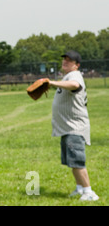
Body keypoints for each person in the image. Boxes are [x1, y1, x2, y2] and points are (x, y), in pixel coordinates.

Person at [48, 50, 99, 201]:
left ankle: (89, 192)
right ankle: (80, 188)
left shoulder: (75, 76)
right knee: (72, 161)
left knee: (77, 161)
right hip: (68, 128)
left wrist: (51, 82)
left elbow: (75, 85)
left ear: (77, 65)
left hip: (75, 128)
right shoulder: (67, 76)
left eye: (70, 60)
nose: (65, 62)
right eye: (64, 59)